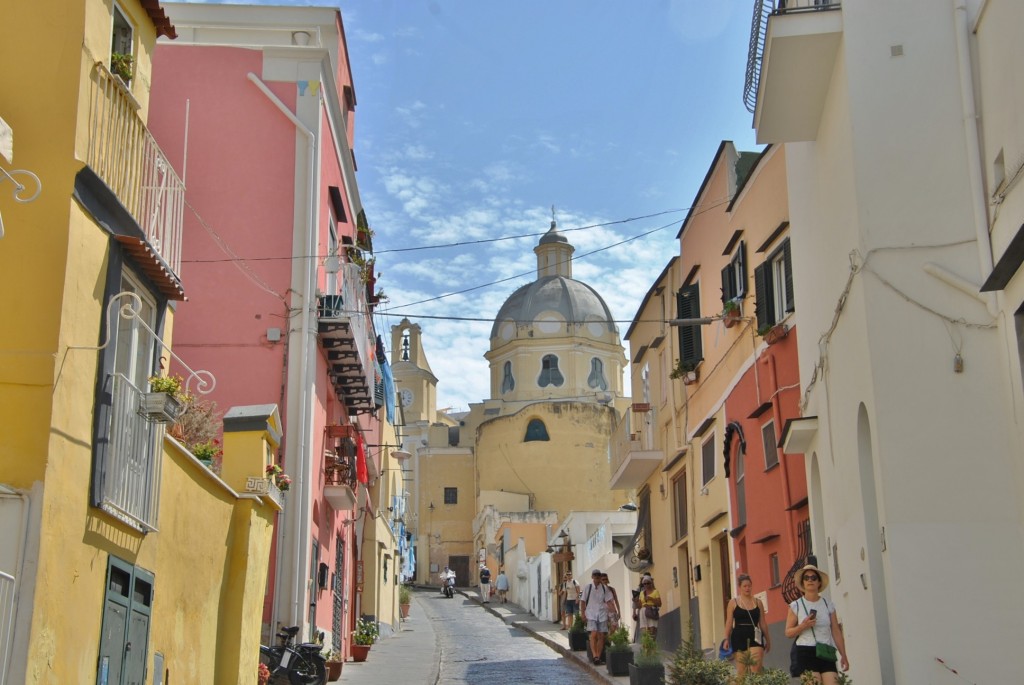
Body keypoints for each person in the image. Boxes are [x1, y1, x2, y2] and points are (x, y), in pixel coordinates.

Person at [785, 564, 850, 683]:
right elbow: (788, 633)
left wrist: (843, 655)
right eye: (806, 578)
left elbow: (836, 631)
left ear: (819, 582)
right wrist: (803, 626)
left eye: (813, 578)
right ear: (803, 582)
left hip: (826, 650)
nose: (810, 580)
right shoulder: (796, 605)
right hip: (805, 651)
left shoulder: (828, 604)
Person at [724, 574, 771, 675]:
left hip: (755, 636)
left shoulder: (758, 602)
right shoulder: (733, 603)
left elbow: (763, 622)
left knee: (756, 668)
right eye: (744, 586)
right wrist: (726, 639)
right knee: (742, 672)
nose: (747, 588)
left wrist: (768, 639)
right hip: (738, 636)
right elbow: (729, 622)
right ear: (740, 587)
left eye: (749, 586)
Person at [579, 569, 610, 665]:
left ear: (600, 577)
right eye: (595, 575)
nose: (597, 576)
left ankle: (598, 657)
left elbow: (609, 601)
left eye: (598, 575)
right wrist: (583, 614)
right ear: (592, 577)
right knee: (593, 634)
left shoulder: (604, 588)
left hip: (602, 614)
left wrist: (613, 613)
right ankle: (594, 655)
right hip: (591, 614)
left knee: (601, 636)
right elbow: (583, 601)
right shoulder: (588, 588)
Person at [635, 574, 661, 638]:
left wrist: (651, 599)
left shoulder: (655, 592)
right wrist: (636, 601)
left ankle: (652, 644)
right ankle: (646, 644)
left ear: (651, 583)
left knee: (652, 631)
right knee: (644, 632)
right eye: (645, 584)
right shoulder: (641, 593)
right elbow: (639, 606)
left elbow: (659, 604)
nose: (646, 585)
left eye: (648, 583)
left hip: (652, 611)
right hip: (643, 612)